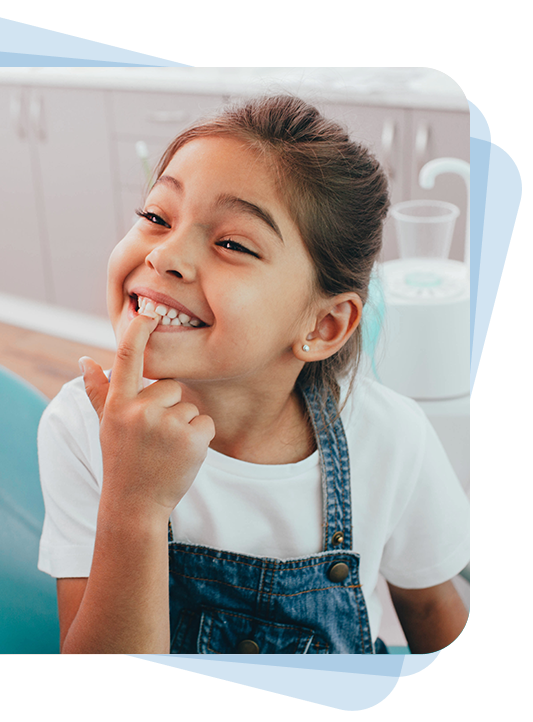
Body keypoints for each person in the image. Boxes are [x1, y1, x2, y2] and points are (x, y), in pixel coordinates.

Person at [37, 95, 470, 655]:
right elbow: (103, 701)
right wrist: (133, 505)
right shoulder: (80, 428)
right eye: (155, 216)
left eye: (232, 243)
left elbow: (436, 614)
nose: (166, 254)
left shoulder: (393, 440)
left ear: (324, 324)